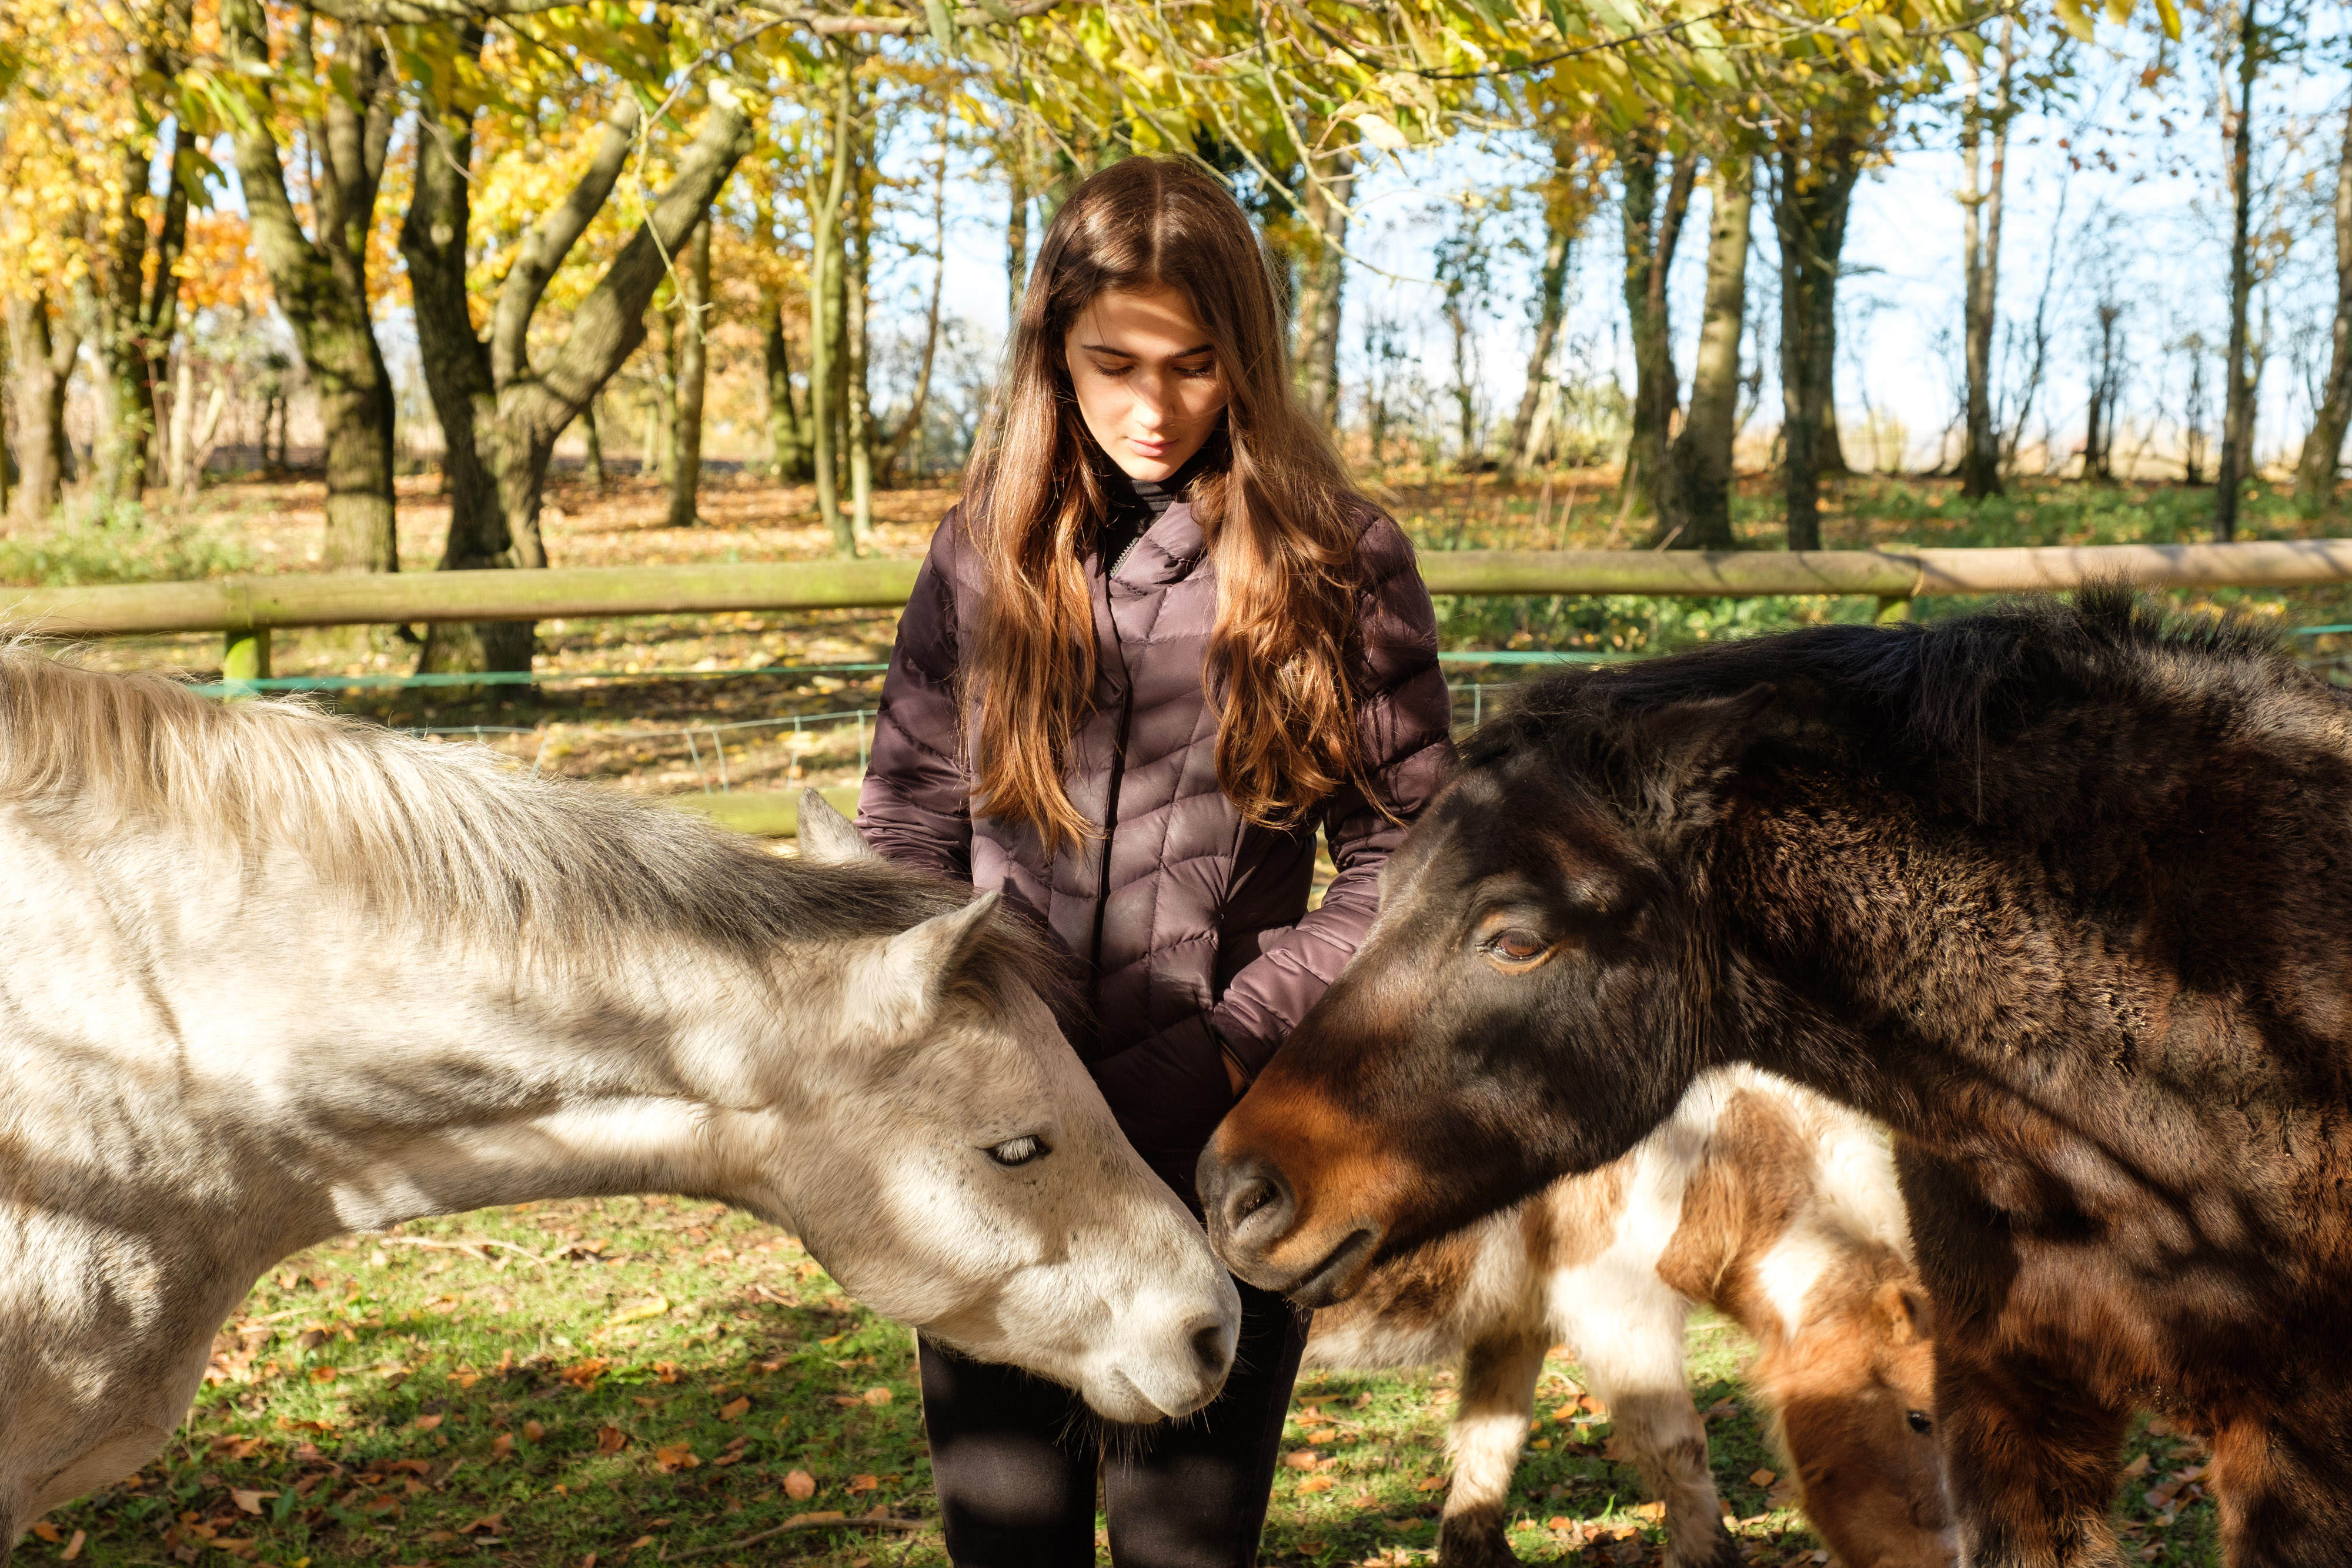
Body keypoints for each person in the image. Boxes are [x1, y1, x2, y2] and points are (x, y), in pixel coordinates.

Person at [854, 155, 1452, 1568]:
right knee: (1009, 1549)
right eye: (1107, 361)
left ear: (1242, 356)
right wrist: (941, 1065)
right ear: (1050, 352)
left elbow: (1405, 866)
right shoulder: (979, 554)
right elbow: (905, 829)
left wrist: (1218, 1052)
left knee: (1187, 1550)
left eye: (1191, 365)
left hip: (1226, 1146)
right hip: (998, 1150)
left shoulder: (1340, 563)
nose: (1149, 407)